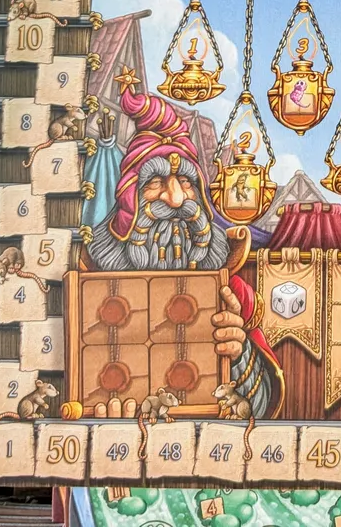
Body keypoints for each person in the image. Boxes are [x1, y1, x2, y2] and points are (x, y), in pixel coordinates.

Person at [86, 65, 284, 416]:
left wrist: (239, 355)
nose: (176, 199)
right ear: (130, 199)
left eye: (187, 183)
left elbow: (262, 407)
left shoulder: (230, 292)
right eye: (155, 183)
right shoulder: (92, 281)